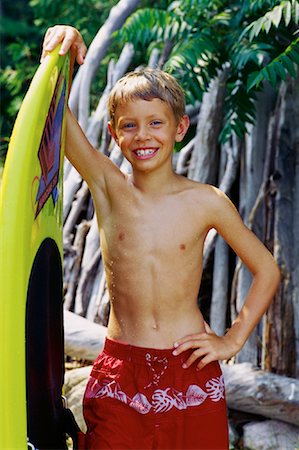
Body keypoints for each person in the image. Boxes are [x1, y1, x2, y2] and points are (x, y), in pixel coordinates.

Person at [41, 26, 280, 450]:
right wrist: (59, 56)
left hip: (188, 369)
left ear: (180, 127)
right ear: (114, 133)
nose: (143, 135)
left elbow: (266, 269)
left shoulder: (206, 201)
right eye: (129, 126)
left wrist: (232, 339)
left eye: (156, 123)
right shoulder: (109, 188)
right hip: (120, 369)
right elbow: (54, 121)